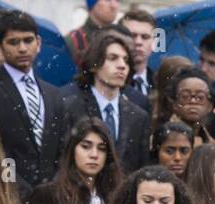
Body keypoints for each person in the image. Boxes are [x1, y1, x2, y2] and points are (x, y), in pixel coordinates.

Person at [0, 10, 67, 197]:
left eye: (28, 40)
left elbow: (61, 150)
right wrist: (15, 189)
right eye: (13, 42)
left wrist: (53, 188)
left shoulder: (53, 94)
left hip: (51, 199)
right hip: (7, 198)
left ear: (38, 43)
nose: (22, 48)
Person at [62, 29, 151, 176]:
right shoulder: (70, 107)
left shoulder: (139, 116)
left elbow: (140, 169)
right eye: (113, 58)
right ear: (93, 65)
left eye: (126, 60)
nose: (122, 65)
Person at [120, 6, 155, 110]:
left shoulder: (160, 84)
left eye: (145, 37)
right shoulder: (110, 83)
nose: (138, 42)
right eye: (132, 36)